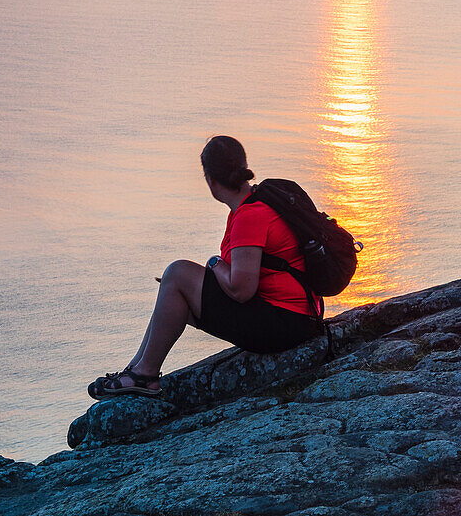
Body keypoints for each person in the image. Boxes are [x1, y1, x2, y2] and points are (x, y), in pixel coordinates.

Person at [88, 135, 322, 398]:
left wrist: (213, 264)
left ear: (211, 180)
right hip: (296, 317)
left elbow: (241, 290)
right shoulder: (256, 203)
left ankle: (144, 375)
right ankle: (138, 370)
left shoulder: (250, 216)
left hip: (285, 325)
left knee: (177, 273)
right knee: (174, 290)